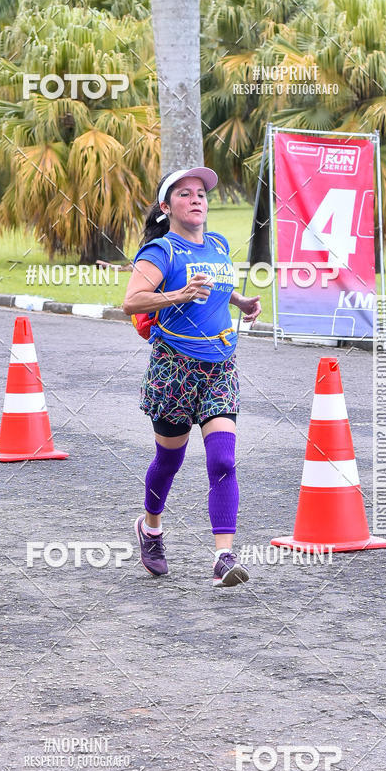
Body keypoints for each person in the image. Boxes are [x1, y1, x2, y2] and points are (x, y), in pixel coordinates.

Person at [122, 167, 261, 587]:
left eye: (201, 193)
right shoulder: (160, 252)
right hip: (174, 368)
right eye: (185, 194)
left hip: (220, 367)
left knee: (223, 460)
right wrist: (178, 295)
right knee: (170, 460)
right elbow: (131, 301)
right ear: (167, 207)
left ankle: (223, 556)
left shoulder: (218, 244)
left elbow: (215, 285)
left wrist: (240, 299)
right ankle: (150, 528)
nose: (197, 199)